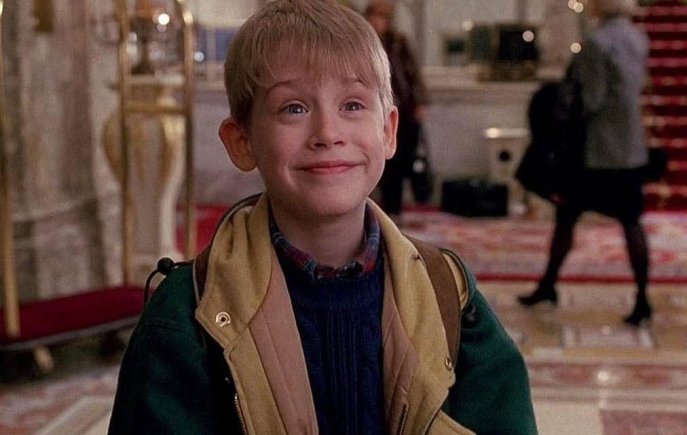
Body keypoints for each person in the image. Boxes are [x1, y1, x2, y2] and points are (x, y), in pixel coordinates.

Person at [108, 1, 537, 434]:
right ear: (242, 141)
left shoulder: (448, 297)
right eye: (294, 108)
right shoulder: (189, 316)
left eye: (352, 105)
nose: (328, 134)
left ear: (388, 131)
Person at [518, 0, 652, 327]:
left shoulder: (596, 43)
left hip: (596, 150)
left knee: (566, 216)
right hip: (629, 146)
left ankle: (548, 284)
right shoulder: (638, 38)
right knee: (630, 222)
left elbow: (592, 100)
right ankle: (642, 296)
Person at [365, 0, 430, 218]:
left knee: (402, 160)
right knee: (379, 160)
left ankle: (395, 209)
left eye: (383, 17)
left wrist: (420, 102)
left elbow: (412, 73)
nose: (378, 21)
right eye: (375, 15)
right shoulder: (362, 41)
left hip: (402, 108)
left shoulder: (398, 42)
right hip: (374, 110)